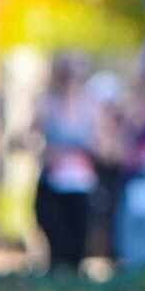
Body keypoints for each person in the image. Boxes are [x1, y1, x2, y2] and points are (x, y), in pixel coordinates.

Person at [33, 56, 103, 273]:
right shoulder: (47, 106)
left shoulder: (92, 108)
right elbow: (28, 139)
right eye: (67, 75)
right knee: (56, 241)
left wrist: (84, 152)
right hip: (53, 182)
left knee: (77, 243)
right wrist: (49, 153)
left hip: (81, 183)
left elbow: (104, 146)